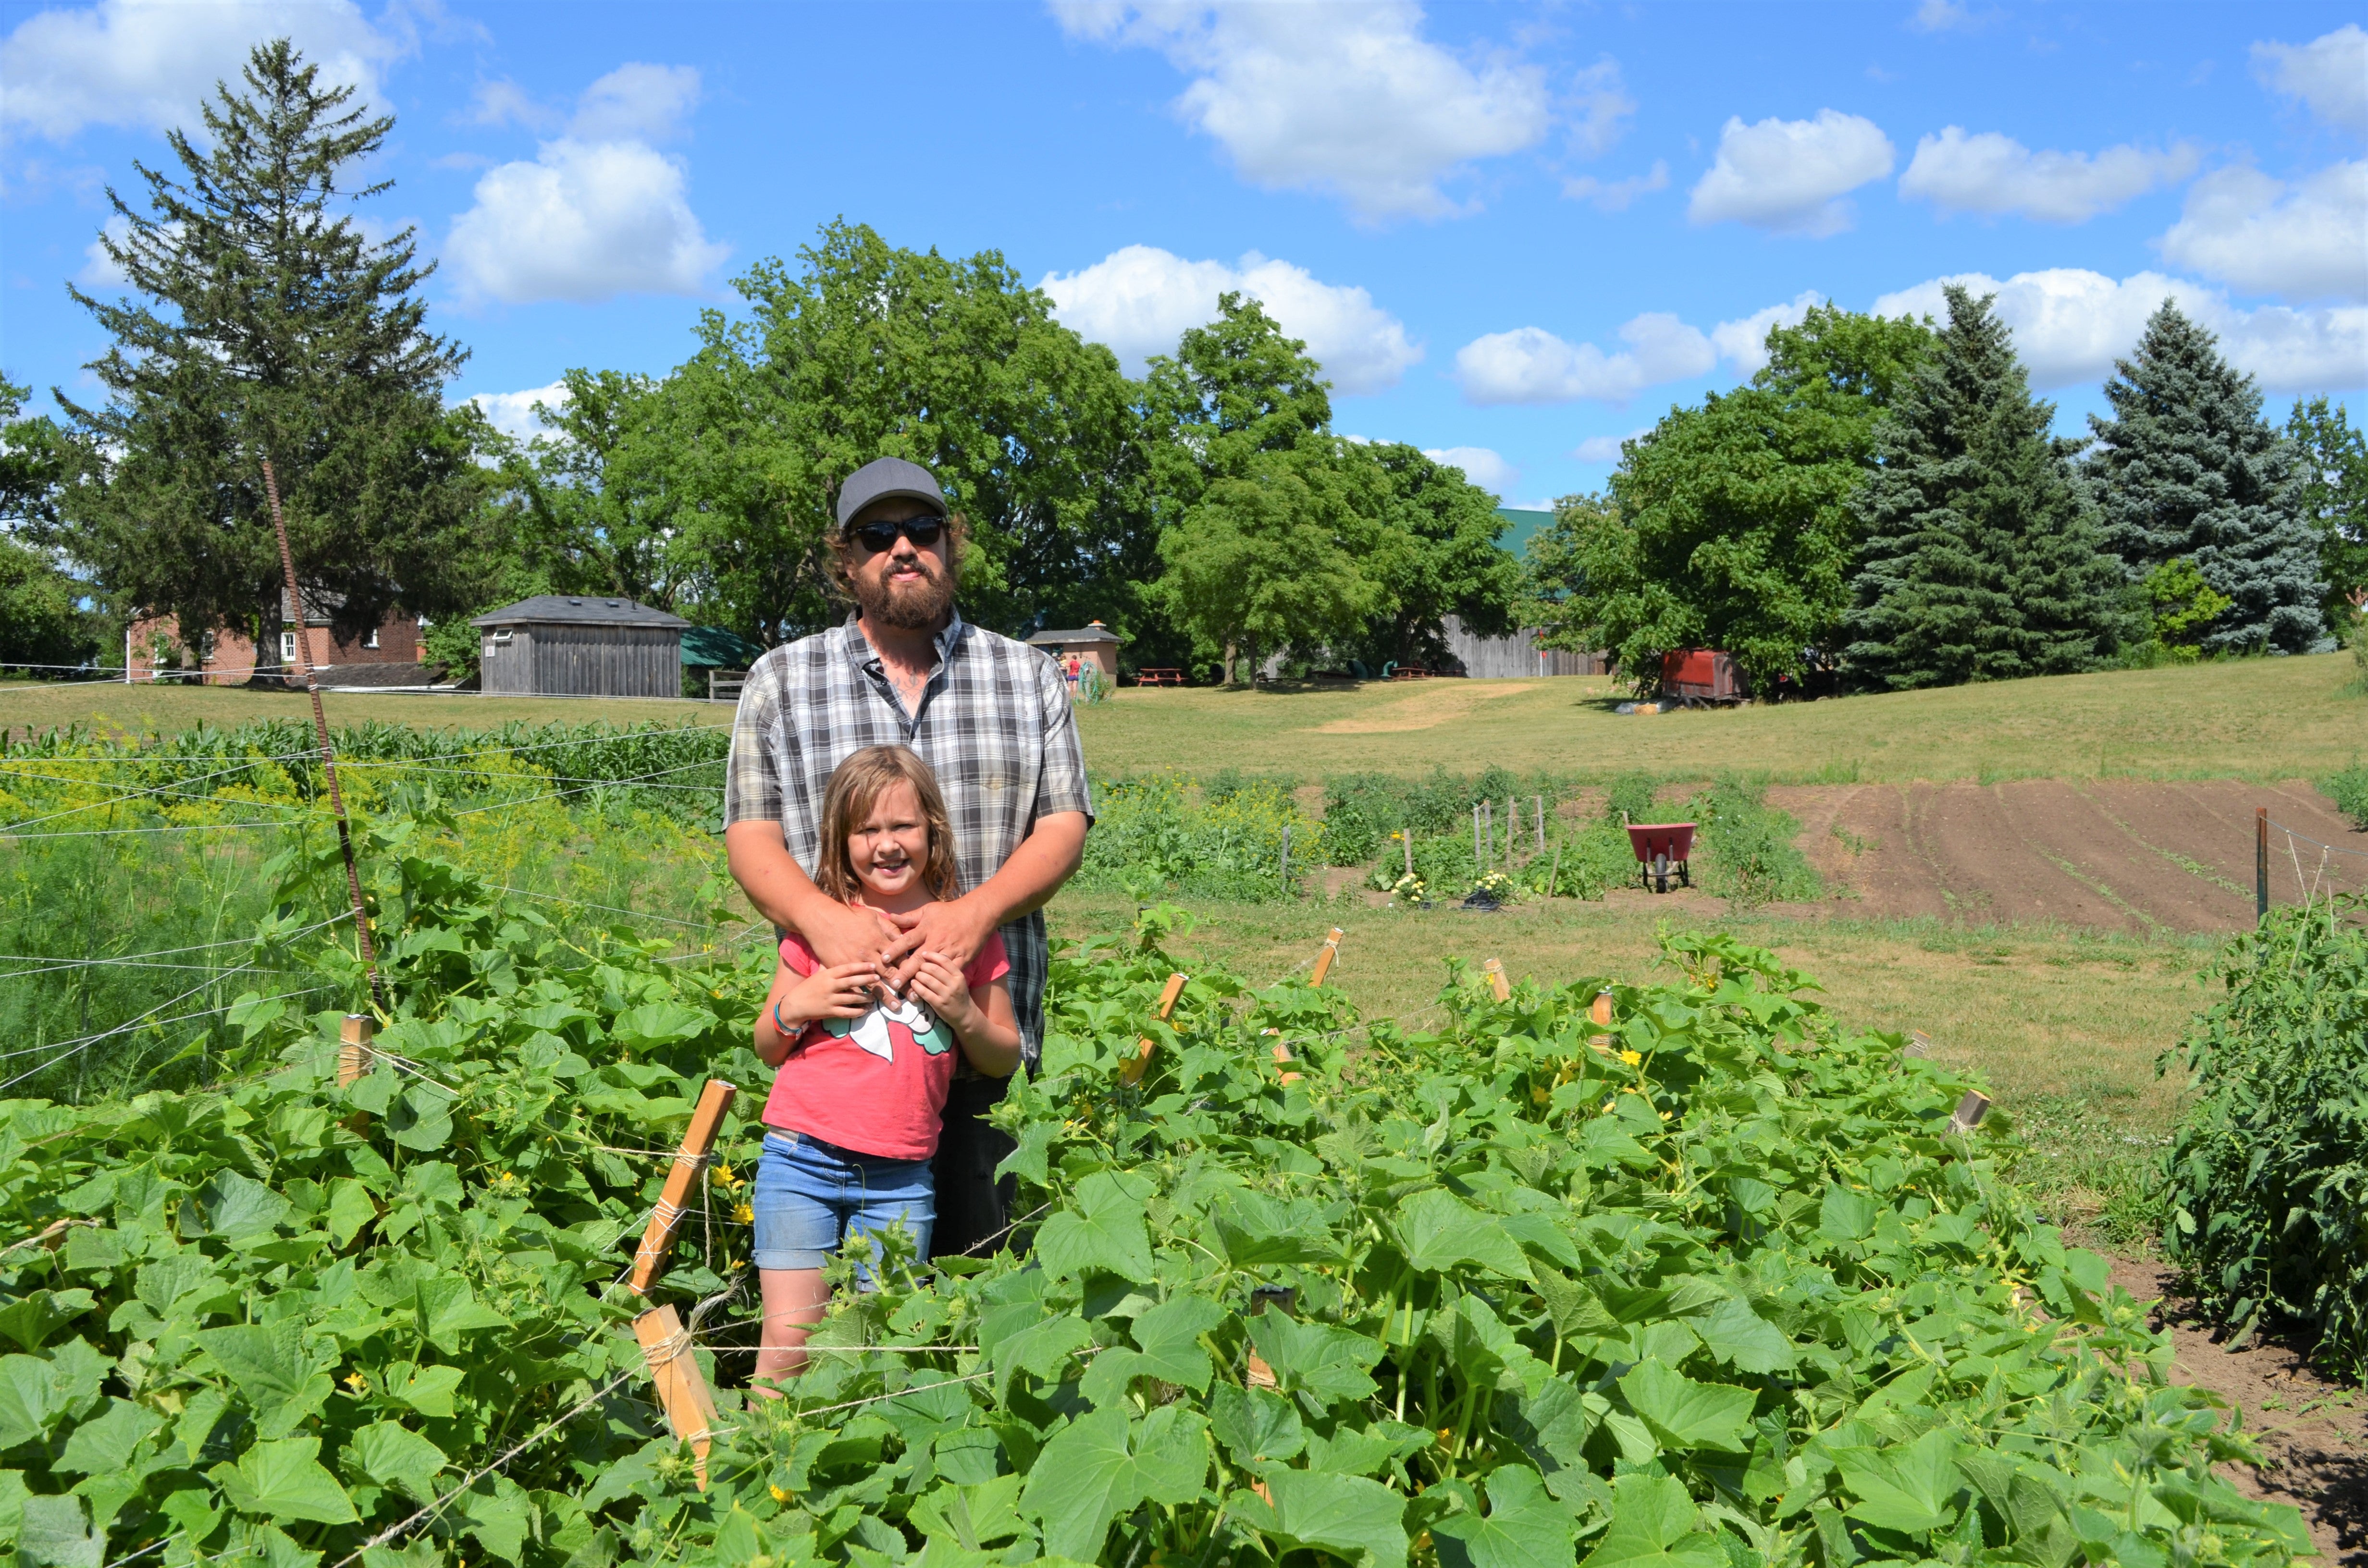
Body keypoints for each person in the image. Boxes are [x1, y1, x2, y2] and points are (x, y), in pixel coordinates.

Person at [722, 455, 1091, 1261]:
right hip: (844, 1063)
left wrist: (976, 914)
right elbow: (751, 834)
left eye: (922, 530)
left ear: (950, 545)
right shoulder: (781, 680)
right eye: (877, 534)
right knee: (830, 1305)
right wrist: (824, 923)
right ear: (846, 560)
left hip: (982, 1044)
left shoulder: (1025, 676)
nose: (903, 548)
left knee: (979, 1286)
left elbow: (1064, 824)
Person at [747, 746, 1021, 1385]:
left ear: (933, 831)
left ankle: (857, 1473)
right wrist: (801, 1004)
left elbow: (1003, 1055)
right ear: (841, 843)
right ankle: (761, 1472)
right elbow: (767, 1044)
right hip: (800, 1160)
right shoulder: (823, 927)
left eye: (902, 827)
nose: (886, 845)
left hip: (901, 1177)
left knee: (883, 1349)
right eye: (866, 831)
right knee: (789, 1344)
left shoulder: (962, 932)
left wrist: (964, 1013)